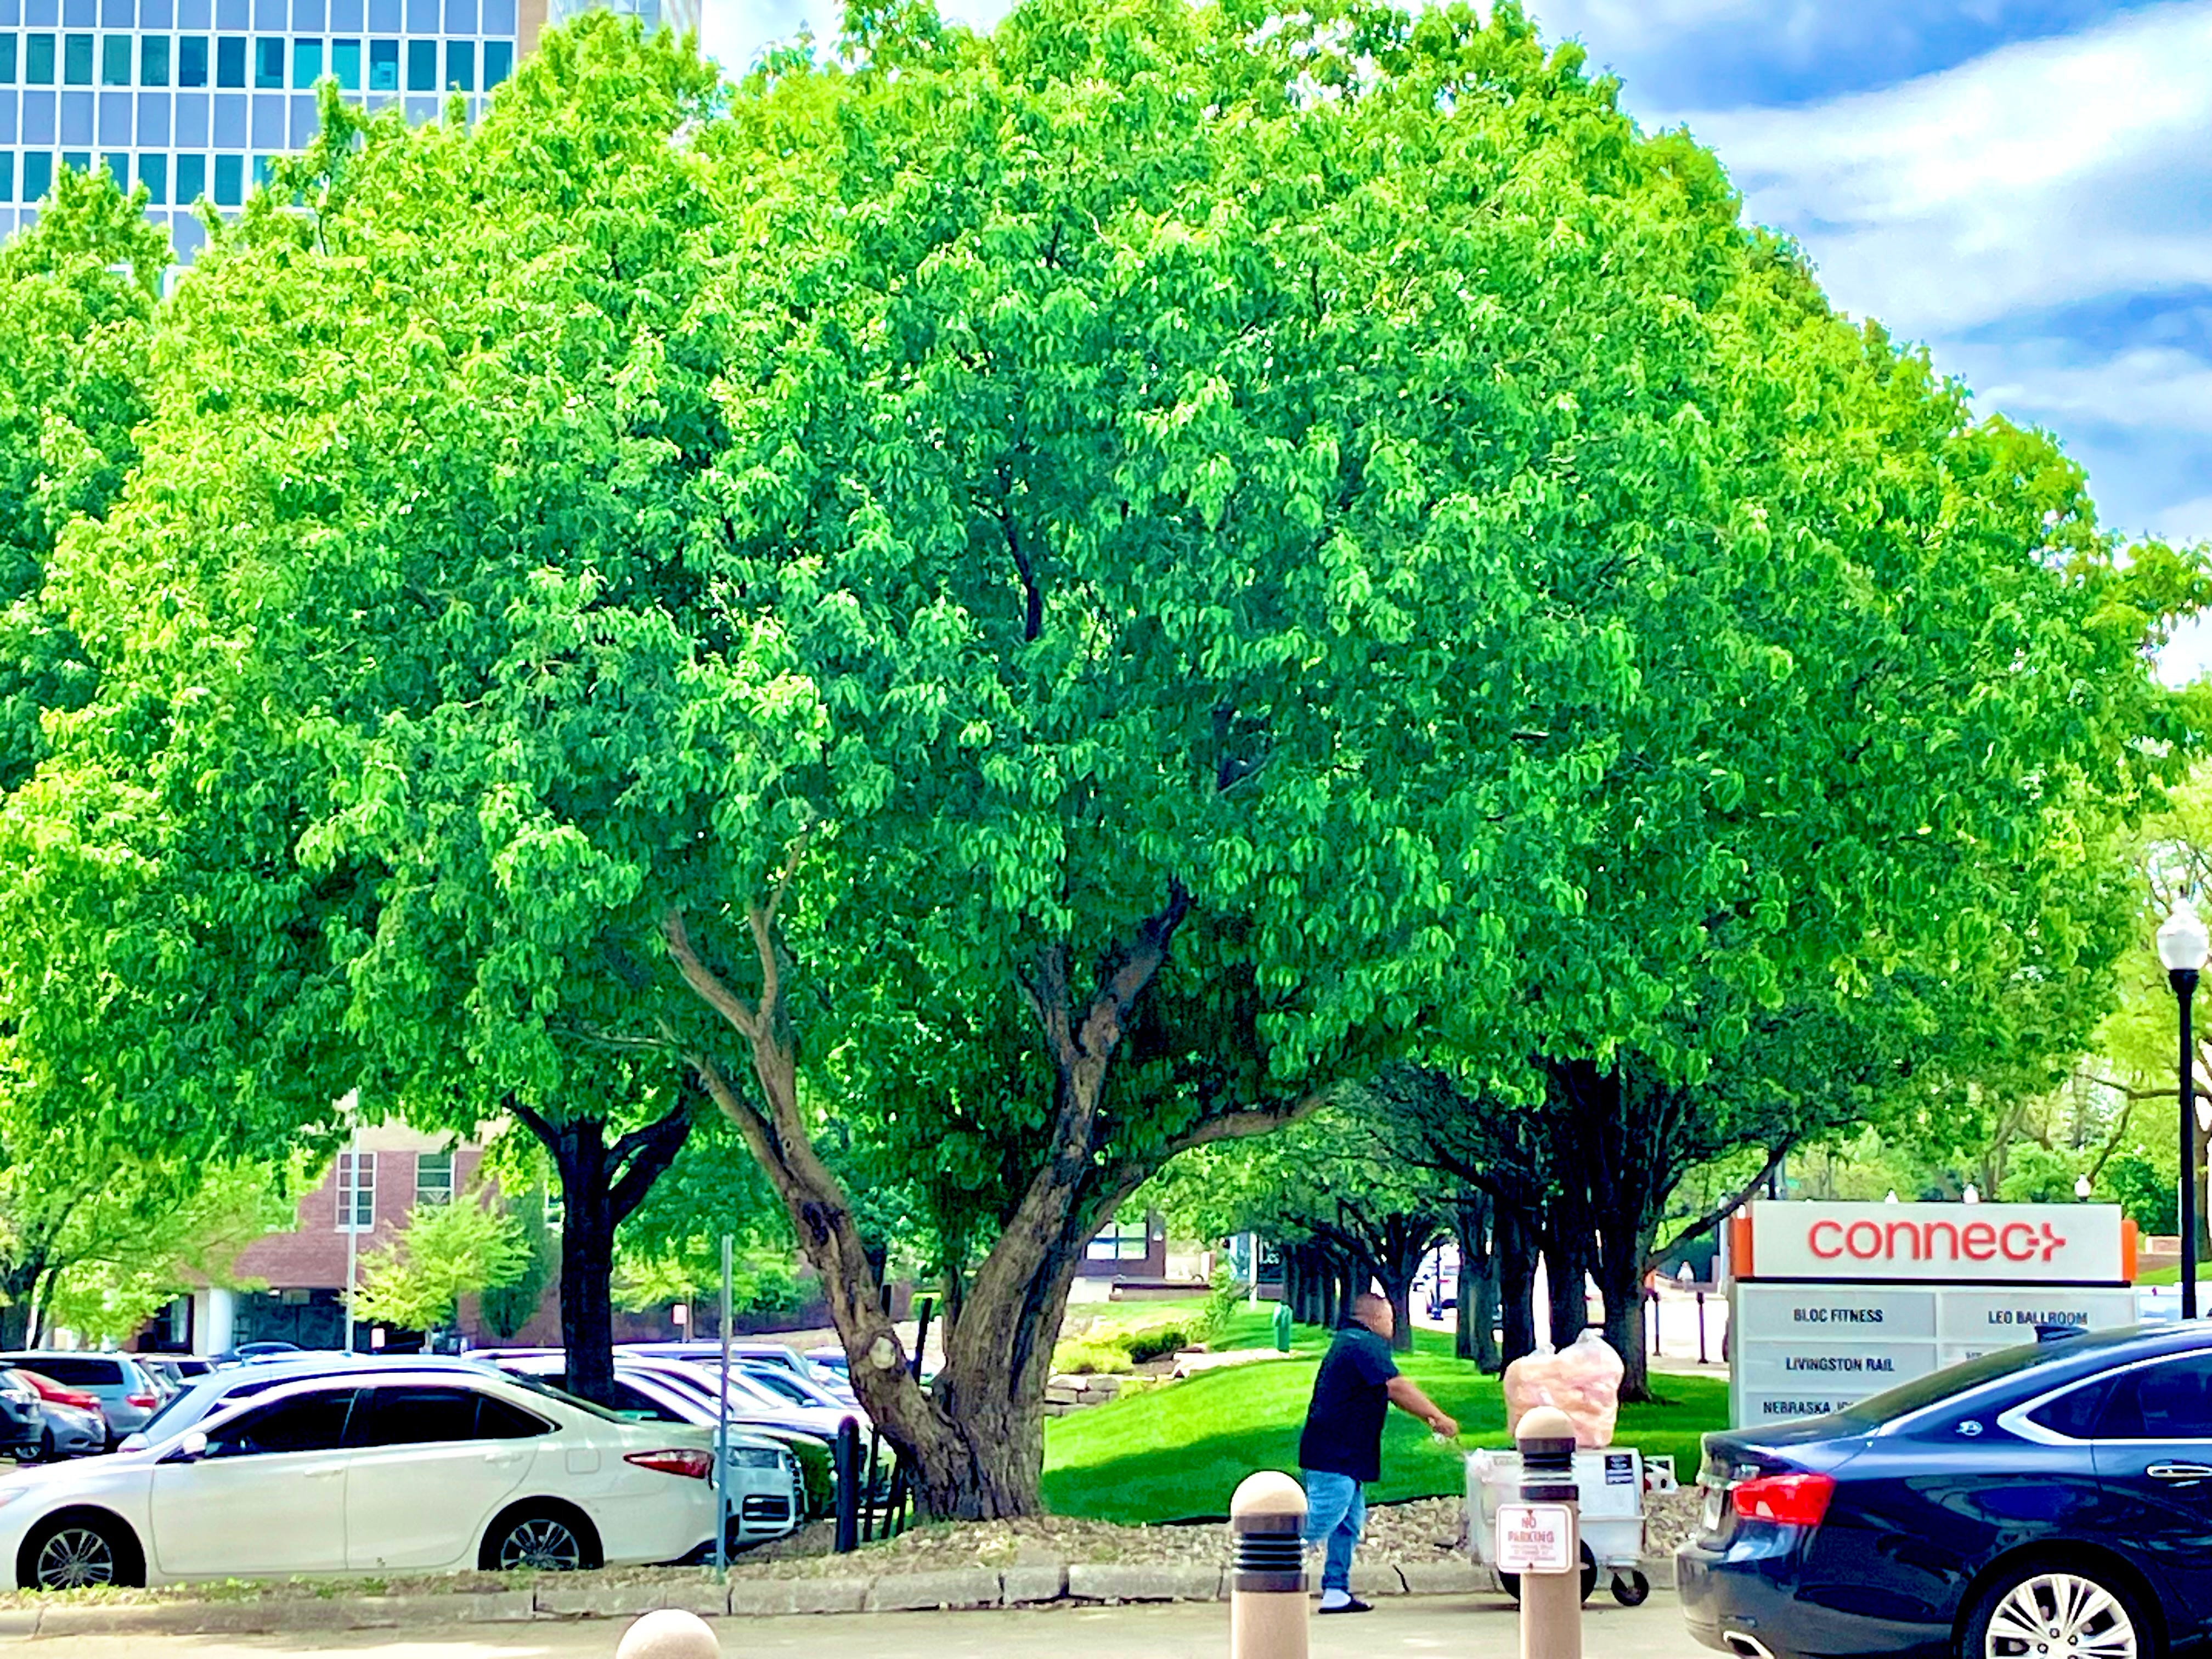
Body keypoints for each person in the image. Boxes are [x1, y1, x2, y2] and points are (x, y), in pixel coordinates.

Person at [1296, 1291, 1459, 1614]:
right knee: (1324, 1516)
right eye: (1390, 1319)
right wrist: (1437, 1417)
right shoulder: (1363, 1344)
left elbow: (1387, 1390)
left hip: (1346, 1451)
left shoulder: (1352, 1342)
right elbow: (1396, 1387)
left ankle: (1336, 1591)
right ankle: (1266, 1563)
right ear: (1374, 1319)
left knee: (1348, 1522)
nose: (1393, 1325)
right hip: (1334, 1452)